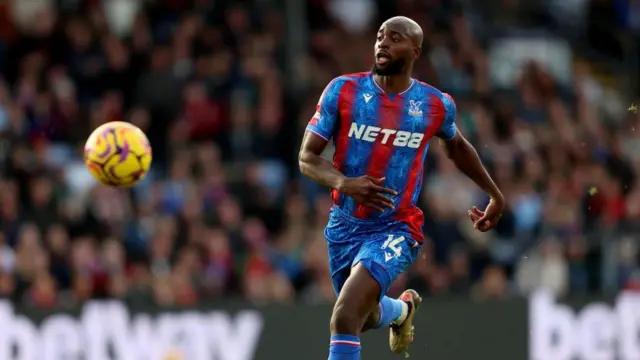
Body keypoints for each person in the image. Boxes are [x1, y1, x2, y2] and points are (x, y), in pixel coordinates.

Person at [298, 16, 504, 359]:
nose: (383, 43)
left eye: (394, 38)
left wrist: (495, 194)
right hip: (344, 227)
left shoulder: (434, 104)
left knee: (345, 317)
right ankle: (401, 310)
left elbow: (457, 146)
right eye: (380, 36)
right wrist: (344, 183)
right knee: (363, 318)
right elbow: (307, 158)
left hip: (396, 226)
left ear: (415, 51)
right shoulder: (343, 91)